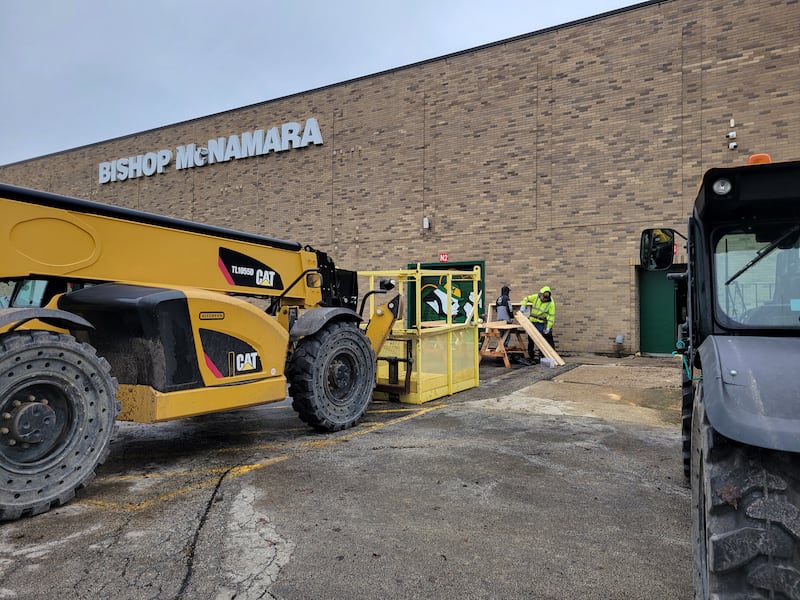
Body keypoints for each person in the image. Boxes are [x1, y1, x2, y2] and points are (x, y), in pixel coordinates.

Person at [521, 286, 555, 364]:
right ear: (540, 295)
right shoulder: (536, 297)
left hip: (540, 323)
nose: (542, 300)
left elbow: (551, 316)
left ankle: (541, 355)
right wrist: (523, 305)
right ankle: (530, 355)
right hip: (532, 321)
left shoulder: (551, 303)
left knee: (540, 339)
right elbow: (526, 298)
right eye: (542, 298)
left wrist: (548, 327)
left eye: (545, 299)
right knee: (531, 338)